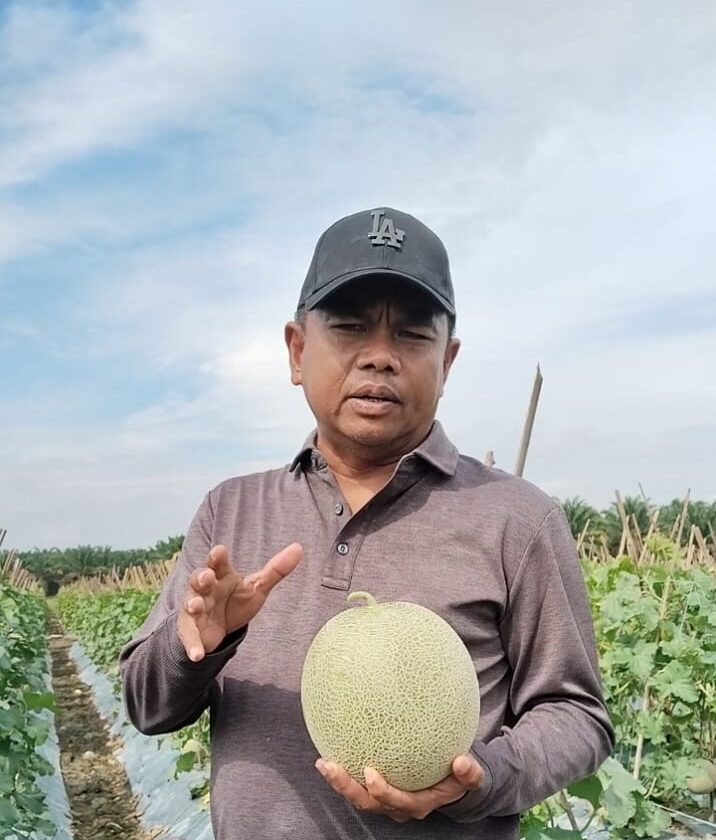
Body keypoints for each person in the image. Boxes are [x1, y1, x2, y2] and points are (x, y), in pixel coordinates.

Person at [120, 207, 614, 840]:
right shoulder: (230, 510)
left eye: (412, 335)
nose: (380, 357)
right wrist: (195, 648)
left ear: (448, 362)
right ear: (298, 351)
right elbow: (145, 705)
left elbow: (577, 714)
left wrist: (478, 777)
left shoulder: (518, 519)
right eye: (350, 328)